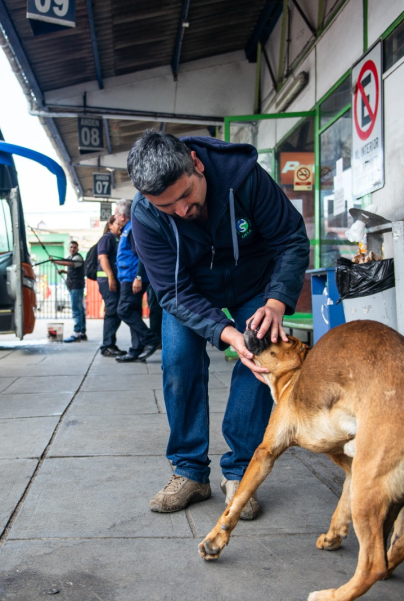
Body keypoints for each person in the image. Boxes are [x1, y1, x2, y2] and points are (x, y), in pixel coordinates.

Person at [127, 130, 309, 517]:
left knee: (261, 360)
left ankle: (241, 471)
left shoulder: (245, 178)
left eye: (185, 196)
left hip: (254, 285)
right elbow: (173, 293)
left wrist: (276, 302)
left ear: (196, 163)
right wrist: (227, 334)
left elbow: (290, 238)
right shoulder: (144, 216)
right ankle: (190, 472)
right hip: (192, 290)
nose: (180, 211)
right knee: (178, 361)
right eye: (166, 206)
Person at [113, 199, 159, 363]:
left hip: (132, 277)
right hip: (129, 276)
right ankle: (136, 349)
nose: (114, 216)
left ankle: (150, 339)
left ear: (122, 216)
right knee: (133, 311)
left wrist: (138, 277)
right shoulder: (128, 228)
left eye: (116, 213)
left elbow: (141, 254)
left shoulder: (132, 229)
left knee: (124, 310)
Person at [96, 216, 125, 357]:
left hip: (111, 279)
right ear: (110, 225)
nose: (120, 226)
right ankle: (107, 346)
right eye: (118, 224)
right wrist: (111, 277)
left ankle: (110, 344)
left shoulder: (116, 238)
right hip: (107, 280)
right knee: (112, 310)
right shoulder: (107, 238)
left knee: (116, 310)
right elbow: (103, 258)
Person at [51, 240, 86, 342]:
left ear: (77, 249)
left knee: (76, 310)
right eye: (71, 247)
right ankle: (82, 332)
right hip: (73, 286)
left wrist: (55, 261)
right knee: (79, 310)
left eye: (74, 247)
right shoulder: (72, 258)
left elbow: (69, 263)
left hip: (76, 287)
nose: (72, 249)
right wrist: (64, 271)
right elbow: (72, 268)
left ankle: (76, 333)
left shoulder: (77, 258)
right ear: (68, 248)